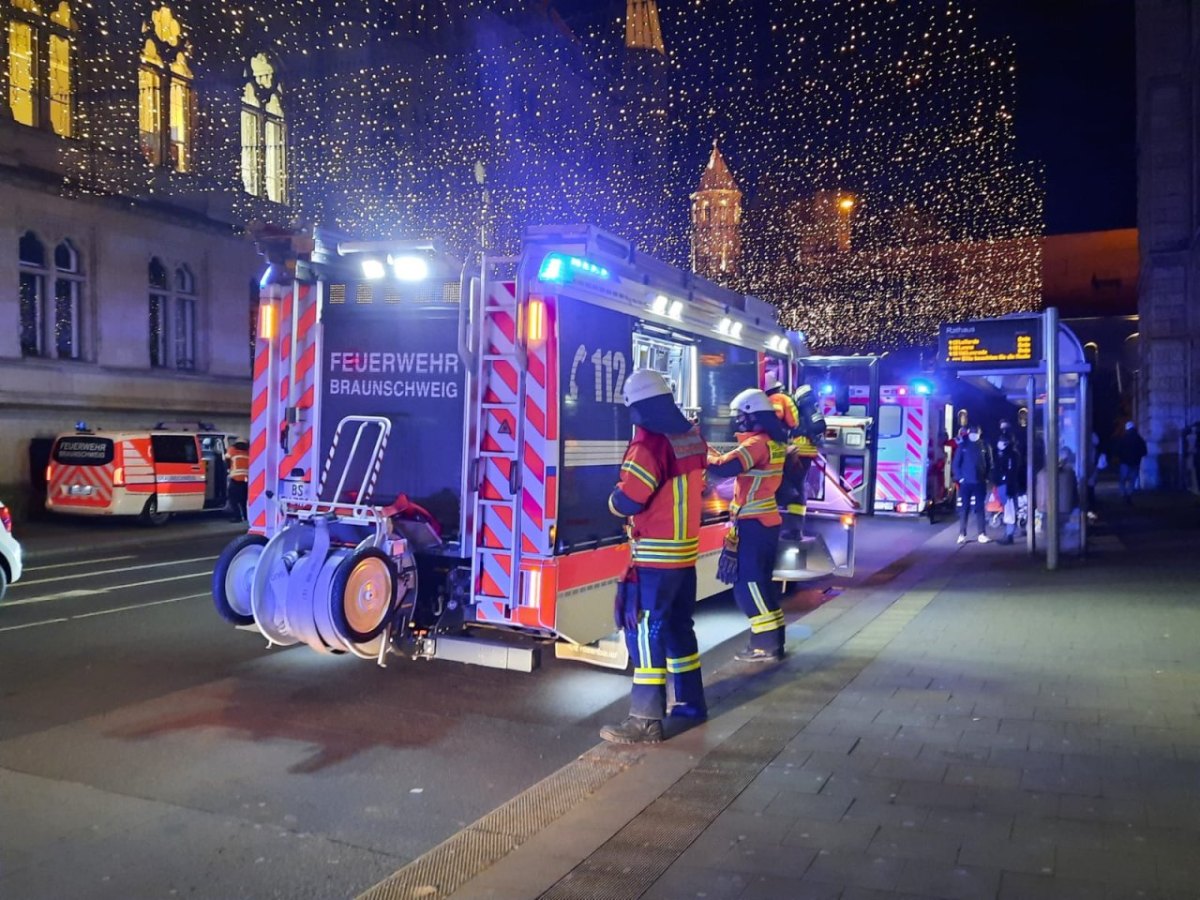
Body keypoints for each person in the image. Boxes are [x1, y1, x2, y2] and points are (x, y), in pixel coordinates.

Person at [600, 369, 708, 745]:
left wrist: (613, 501)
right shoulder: (691, 437)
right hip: (684, 556)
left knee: (644, 634)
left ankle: (645, 721)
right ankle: (691, 703)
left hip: (655, 559)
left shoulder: (648, 445)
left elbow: (630, 498)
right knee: (679, 629)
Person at [708, 388, 789, 662]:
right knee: (761, 584)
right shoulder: (772, 442)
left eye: (741, 416)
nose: (737, 421)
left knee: (748, 585)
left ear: (753, 416)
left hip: (752, 524)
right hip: (765, 523)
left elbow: (723, 468)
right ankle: (771, 641)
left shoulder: (755, 444)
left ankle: (765, 645)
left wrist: (697, 449)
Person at [951, 424, 992, 544]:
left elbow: (989, 463)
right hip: (966, 483)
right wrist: (961, 478)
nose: (974, 435)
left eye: (976, 433)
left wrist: (986, 477)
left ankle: (982, 533)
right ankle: (962, 534)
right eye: (973, 433)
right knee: (964, 508)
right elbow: (956, 464)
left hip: (980, 482)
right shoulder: (963, 445)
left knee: (980, 508)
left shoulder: (984, 445)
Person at [991, 429, 1024, 544]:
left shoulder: (1011, 455)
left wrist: (1009, 487)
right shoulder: (1003, 454)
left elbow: (1012, 472)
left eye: (1003, 441)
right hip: (1003, 485)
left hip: (1008, 486)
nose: (1000, 443)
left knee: (1010, 510)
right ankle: (1008, 534)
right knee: (1008, 510)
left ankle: (1009, 535)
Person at [1114, 420, 1147, 505]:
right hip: (1135, 462)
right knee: (1132, 480)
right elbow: (1144, 451)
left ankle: (1123, 494)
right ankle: (1129, 494)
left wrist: (1120, 457)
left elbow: (1118, 450)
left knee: (1122, 480)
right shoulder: (1139, 439)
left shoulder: (1123, 438)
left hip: (1124, 462)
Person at [225, 438, 250, 522]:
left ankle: (237, 517)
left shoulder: (232, 450)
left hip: (235, 479)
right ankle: (246, 517)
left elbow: (226, 459)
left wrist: (228, 470)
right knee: (243, 501)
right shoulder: (248, 452)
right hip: (245, 480)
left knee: (233, 500)